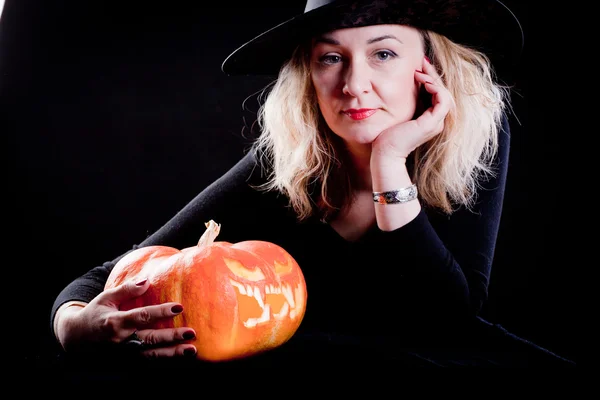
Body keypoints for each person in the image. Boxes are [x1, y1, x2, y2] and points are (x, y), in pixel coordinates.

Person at [49, 0, 575, 368]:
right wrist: (74, 326)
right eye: (330, 58)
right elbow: (113, 277)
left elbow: (447, 320)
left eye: (384, 53)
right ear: (309, 74)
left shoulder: (476, 135)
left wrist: (389, 162)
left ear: (428, 67)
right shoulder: (288, 160)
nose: (354, 83)